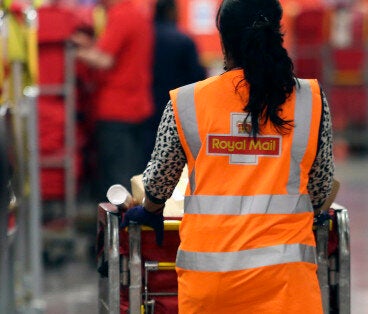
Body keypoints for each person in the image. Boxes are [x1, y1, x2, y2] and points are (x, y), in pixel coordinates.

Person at [119, 0, 335, 312]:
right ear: (277, 34)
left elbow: (158, 184)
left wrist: (150, 209)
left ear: (223, 40)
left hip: (211, 285)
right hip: (286, 286)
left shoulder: (188, 102)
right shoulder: (310, 101)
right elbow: (319, 190)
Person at [72, 0, 154, 198]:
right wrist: (90, 46)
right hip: (134, 106)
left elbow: (104, 60)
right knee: (129, 174)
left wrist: (72, 52)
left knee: (116, 181)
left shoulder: (121, 15)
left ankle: (118, 227)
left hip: (116, 109)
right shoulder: (136, 14)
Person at [143, 0, 207, 165]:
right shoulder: (183, 39)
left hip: (146, 103)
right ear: (172, 12)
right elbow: (198, 76)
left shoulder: (146, 36)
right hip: (177, 104)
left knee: (146, 155)